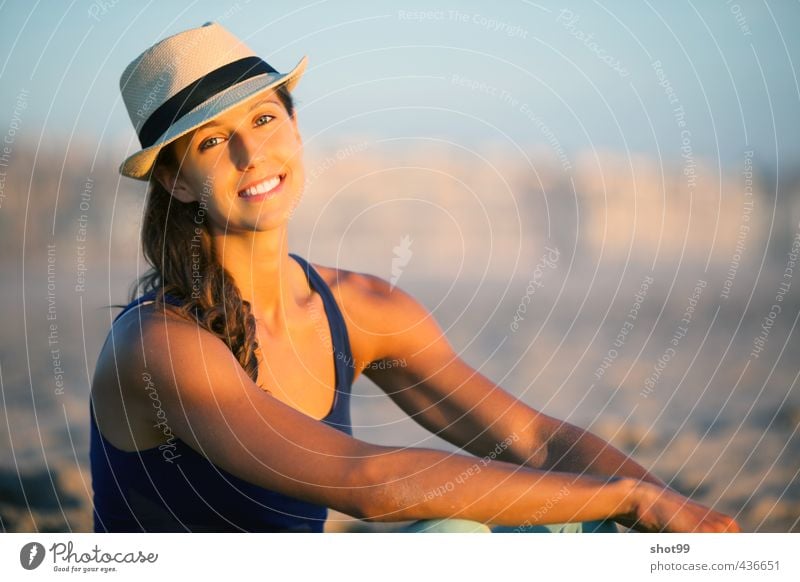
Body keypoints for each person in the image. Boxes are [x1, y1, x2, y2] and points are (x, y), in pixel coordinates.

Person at [89, 21, 740, 533]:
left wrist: (665, 509)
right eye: (210, 141)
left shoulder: (362, 308)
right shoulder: (157, 348)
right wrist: (630, 499)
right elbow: (369, 483)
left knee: (561, 527)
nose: (251, 153)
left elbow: (534, 440)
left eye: (264, 118)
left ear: (294, 127)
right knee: (454, 539)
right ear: (173, 180)